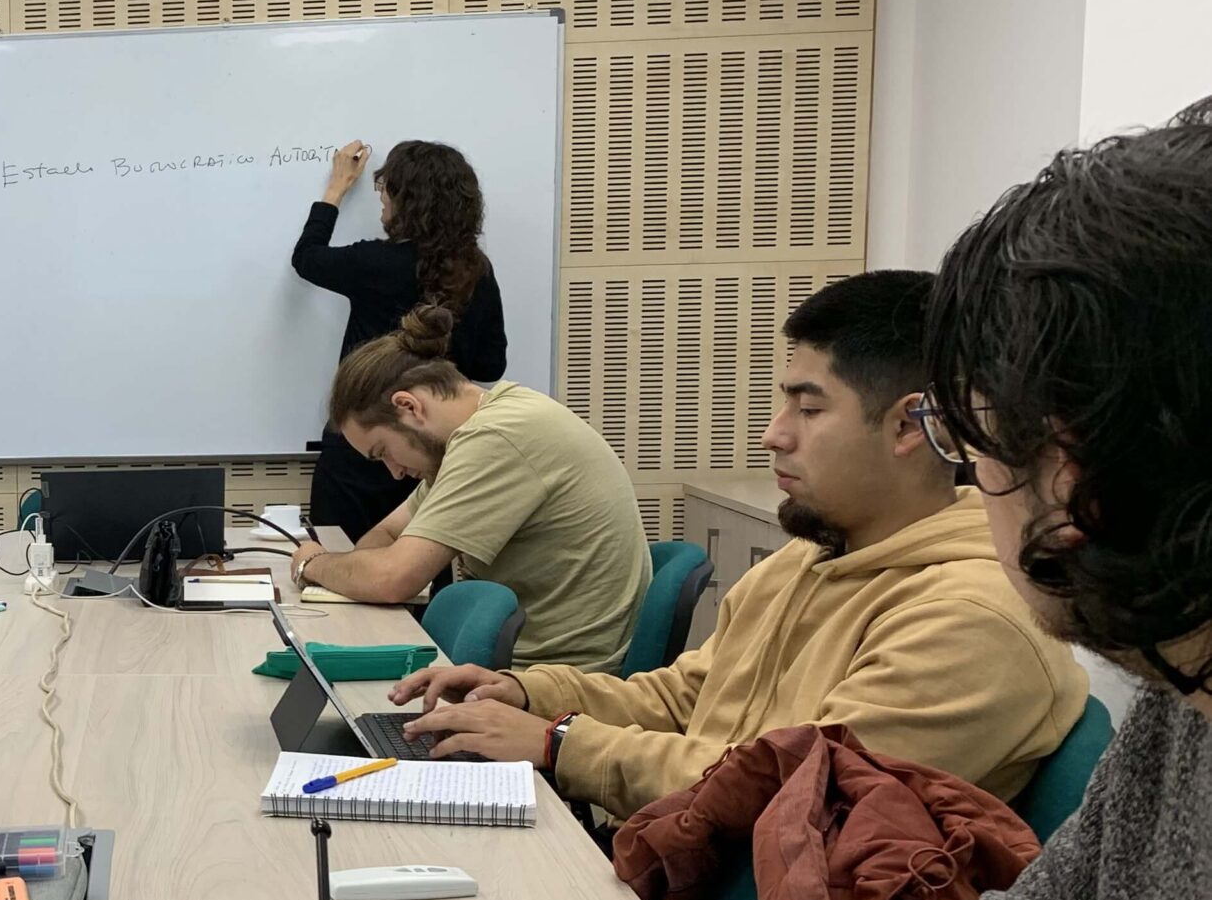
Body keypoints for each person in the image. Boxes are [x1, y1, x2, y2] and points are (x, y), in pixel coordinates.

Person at [280, 103, 1212, 900]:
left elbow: (804, 816)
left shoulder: (983, 624)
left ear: (1081, 472)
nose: (973, 467)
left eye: (979, 436)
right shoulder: (1178, 721)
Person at [391, 271, 1087, 820]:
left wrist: (560, 744)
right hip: (684, 874)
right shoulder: (810, 558)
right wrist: (527, 691)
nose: (774, 433)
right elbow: (688, 696)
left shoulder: (971, 622)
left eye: (809, 408)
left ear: (910, 425)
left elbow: (789, 789)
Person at [289, 305, 647, 674]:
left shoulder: (495, 437)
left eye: (383, 452)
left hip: (557, 679)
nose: (394, 473)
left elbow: (393, 578)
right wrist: (366, 570)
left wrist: (313, 564)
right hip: (529, 666)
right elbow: (385, 534)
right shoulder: (483, 426)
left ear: (408, 406)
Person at [293, 140, 507, 539]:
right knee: (423, 578)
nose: (382, 202)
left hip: (359, 446)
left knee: (341, 574)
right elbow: (491, 366)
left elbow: (306, 258)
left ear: (406, 200)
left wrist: (335, 189)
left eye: (385, 190)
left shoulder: (374, 263)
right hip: (436, 448)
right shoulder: (475, 269)